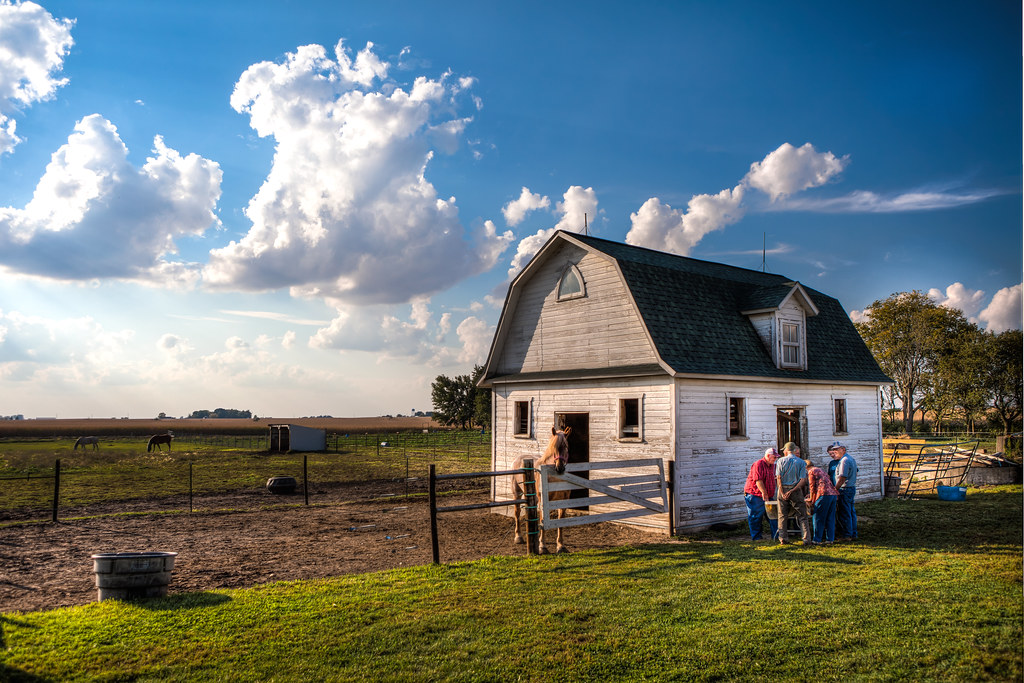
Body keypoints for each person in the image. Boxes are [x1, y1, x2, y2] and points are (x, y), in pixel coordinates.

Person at [774, 442, 812, 545]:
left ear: (786, 450)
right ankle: (806, 539)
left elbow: (779, 478)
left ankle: (783, 538)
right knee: (802, 515)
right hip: (795, 490)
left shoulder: (780, 461)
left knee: (782, 515)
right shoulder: (801, 462)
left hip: (782, 489)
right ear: (795, 450)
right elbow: (803, 480)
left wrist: (782, 491)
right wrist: (792, 490)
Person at [743, 447, 779, 541]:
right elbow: (758, 480)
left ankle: (776, 536)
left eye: (776, 458)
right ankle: (756, 537)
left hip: (767, 495)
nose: (775, 459)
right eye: (774, 457)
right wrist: (764, 492)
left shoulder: (772, 466)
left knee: (773, 516)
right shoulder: (758, 464)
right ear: (767, 456)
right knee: (756, 516)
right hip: (755, 494)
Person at [805, 456, 839, 545]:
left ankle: (817, 539)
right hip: (833, 494)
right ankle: (830, 539)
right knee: (830, 517)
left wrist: (811, 499)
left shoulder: (811, 471)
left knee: (818, 517)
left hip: (823, 495)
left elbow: (812, 487)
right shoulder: (820, 470)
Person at [829, 441, 859, 541]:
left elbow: (842, 477)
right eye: (834, 450)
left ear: (843, 449)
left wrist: (835, 489)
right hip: (850, 488)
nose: (835, 451)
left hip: (845, 489)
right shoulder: (850, 458)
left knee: (845, 512)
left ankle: (847, 535)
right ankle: (853, 533)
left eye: (837, 449)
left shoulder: (844, 461)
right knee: (851, 511)